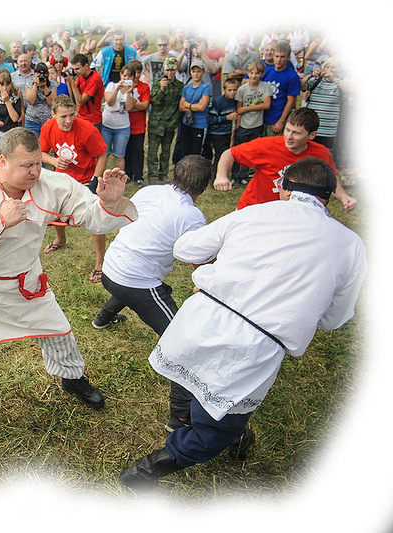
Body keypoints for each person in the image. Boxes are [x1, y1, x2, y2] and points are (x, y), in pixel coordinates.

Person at [119, 157, 368, 493]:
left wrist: (224, 258)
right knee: (217, 429)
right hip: (252, 348)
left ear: (285, 187)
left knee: (205, 389)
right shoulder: (351, 245)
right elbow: (333, 318)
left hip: (199, 321)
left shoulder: (256, 212)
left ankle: (223, 433)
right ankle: (145, 471)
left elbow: (186, 247)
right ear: (326, 197)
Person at [0, 127, 138, 429]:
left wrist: (108, 203)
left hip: (25, 283)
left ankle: (72, 379)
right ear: (2, 161)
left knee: (59, 332)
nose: (36, 171)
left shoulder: (52, 183)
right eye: (27, 165)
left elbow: (91, 216)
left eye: (38, 162)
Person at [94, 155, 210, 430]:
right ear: (203, 188)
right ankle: (180, 416)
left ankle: (103, 317)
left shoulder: (150, 190)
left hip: (110, 269)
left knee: (130, 287)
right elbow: (199, 261)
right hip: (136, 282)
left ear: (174, 174)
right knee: (182, 341)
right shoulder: (192, 216)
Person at [213, 107, 357, 212]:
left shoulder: (321, 153)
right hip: (254, 208)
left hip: (293, 213)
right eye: (287, 130)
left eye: (296, 133)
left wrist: (344, 197)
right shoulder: (267, 145)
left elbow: (330, 179)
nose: (289, 136)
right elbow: (229, 154)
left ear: (312, 135)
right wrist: (221, 176)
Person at [39, 95, 109, 283]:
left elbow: (102, 155)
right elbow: (41, 152)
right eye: (63, 116)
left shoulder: (87, 129)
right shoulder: (48, 127)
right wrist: (54, 161)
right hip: (63, 178)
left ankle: (100, 263)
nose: (68, 120)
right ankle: (60, 240)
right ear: (53, 114)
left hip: (86, 179)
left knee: (95, 221)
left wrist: (94, 180)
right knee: (53, 212)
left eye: (71, 115)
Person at [231, 61, 272, 185]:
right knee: (239, 151)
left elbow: (266, 104)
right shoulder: (242, 89)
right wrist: (237, 127)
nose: (254, 76)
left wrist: (247, 109)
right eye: (251, 73)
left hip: (257, 124)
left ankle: (244, 175)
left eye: (257, 73)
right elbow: (239, 109)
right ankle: (235, 176)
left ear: (262, 74)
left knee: (252, 152)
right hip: (244, 125)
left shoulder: (265, 87)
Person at [300, 56, 354, 149]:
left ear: (340, 69)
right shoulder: (317, 80)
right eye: (327, 67)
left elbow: (350, 89)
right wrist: (310, 75)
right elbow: (302, 86)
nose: (330, 70)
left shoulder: (342, 81)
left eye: (333, 67)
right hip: (311, 126)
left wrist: (334, 79)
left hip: (328, 129)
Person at [146, 57, 184, 183]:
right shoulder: (157, 84)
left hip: (170, 123)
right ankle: (152, 174)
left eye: (172, 70)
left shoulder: (179, 86)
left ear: (176, 70)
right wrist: (162, 89)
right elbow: (155, 102)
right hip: (156, 123)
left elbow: (179, 105)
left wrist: (175, 121)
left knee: (166, 150)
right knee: (153, 150)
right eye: (167, 70)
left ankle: (163, 173)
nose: (169, 73)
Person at [173, 59, 211, 163]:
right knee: (184, 150)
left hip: (200, 124)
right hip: (187, 123)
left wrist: (188, 105)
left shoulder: (206, 87)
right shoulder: (187, 87)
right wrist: (194, 106)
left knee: (196, 152)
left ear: (202, 72)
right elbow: (181, 106)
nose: (196, 74)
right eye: (194, 71)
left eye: (199, 71)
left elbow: (202, 107)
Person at [261, 41, 300, 136]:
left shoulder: (291, 76)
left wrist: (281, 121)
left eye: (282, 57)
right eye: (277, 56)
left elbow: (291, 101)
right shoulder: (268, 71)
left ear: (288, 58)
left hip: (277, 117)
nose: (279, 60)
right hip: (263, 117)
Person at [101, 66, 135, 173]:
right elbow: (110, 101)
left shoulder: (134, 90)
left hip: (122, 127)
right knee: (104, 154)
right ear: (120, 75)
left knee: (119, 155)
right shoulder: (111, 86)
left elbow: (129, 108)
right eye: (124, 75)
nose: (126, 78)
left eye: (129, 76)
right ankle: (99, 177)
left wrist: (128, 92)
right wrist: (117, 89)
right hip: (107, 124)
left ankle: (119, 178)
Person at [0, 69, 23, 163]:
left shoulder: (16, 99)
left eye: (7, 84)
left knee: (13, 161)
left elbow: (15, 118)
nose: (5, 87)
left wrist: (7, 101)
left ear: (11, 84)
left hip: (12, 134)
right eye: (2, 85)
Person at [123, 61, 150, 185]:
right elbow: (124, 106)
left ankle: (139, 175)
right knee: (127, 150)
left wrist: (132, 103)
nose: (136, 75)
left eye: (138, 72)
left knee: (138, 150)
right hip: (125, 124)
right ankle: (128, 173)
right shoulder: (122, 87)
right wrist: (134, 105)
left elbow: (145, 105)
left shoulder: (144, 87)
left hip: (139, 125)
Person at [205, 78, 239, 175]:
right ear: (224, 90)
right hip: (217, 133)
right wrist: (226, 118)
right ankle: (215, 175)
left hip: (227, 132)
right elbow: (211, 119)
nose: (232, 93)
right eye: (229, 90)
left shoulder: (234, 101)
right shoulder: (219, 102)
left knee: (224, 153)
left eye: (234, 90)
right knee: (220, 155)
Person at [68, 54, 104, 129]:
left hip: (92, 120)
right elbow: (73, 96)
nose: (75, 72)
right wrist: (69, 81)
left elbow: (80, 102)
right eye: (73, 69)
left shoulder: (95, 79)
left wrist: (71, 82)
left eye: (77, 69)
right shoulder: (80, 76)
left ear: (86, 66)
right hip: (81, 117)